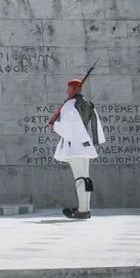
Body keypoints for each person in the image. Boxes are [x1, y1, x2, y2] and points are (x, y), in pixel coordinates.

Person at [50, 78, 104, 219]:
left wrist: (54, 125)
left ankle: (82, 210)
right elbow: (94, 124)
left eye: (69, 88)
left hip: (75, 146)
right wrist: (91, 141)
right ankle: (85, 208)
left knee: (80, 178)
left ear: (72, 89)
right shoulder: (87, 104)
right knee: (86, 178)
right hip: (85, 145)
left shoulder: (69, 105)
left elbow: (70, 127)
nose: (67, 91)